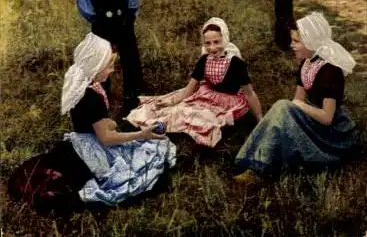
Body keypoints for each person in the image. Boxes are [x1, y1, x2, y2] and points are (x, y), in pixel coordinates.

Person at [233, 11, 358, 183]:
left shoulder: (330, 71)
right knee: (282, 109)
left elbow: (327, 117)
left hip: (333, 133)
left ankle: (258, 168)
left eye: (296, 41)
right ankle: (253, 160)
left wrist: (297, 107)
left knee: (283, 107)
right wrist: (294, 108)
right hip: (315, 119)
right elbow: (297, 100)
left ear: (312, 42)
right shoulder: (307, 64)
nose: (292, 45)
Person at [62, 32, 176, 205]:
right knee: (144, 159)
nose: (113, 70)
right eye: (109, 65)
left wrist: (108, 123)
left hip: (81, 137)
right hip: (93, 147)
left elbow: (88, 120)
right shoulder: (91, 98)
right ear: (95, 65)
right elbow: (106, 139)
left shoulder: (81, 82)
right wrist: (141, 134)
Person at [126, 17, 263, 147]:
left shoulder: (236, 63)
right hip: (207, 95)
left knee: (202, 119)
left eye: (216, 42)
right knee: (177, 111)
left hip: (229, 101)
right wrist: (172, 101)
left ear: (224, 39)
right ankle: (164, 129)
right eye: (207, 43)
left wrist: (260, 119)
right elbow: (188, 90)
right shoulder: (205, 60)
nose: (212, 48)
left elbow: (249, 93)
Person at [76, 0, 142, 113]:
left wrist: (130, 14)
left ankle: (132, 96)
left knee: (131, 59)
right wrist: (95, 19)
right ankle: (101, 95)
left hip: (123, 23)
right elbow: (83, 0)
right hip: (102, 26)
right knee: (103, 61)